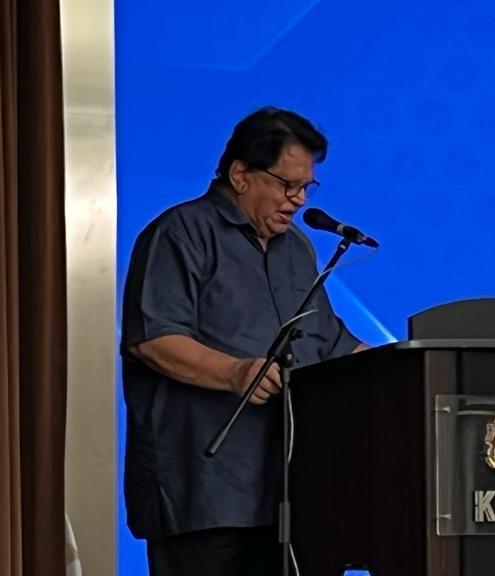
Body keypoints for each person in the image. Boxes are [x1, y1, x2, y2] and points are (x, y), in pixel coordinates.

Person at [120, 107, 366, 576]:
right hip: (204, 491)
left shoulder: (297, 248)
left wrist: (410, 370)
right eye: (287, 185)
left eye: (306, 188)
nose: (298, 200)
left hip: (291, 495)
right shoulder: (180, 233)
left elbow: (330, 341)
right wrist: (235, 373)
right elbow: (152, 339)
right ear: (240, 174)